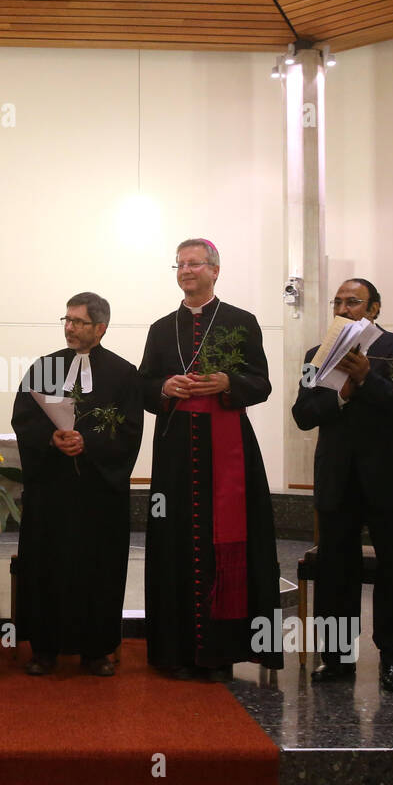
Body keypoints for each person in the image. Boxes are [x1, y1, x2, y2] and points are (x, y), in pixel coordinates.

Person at [138, 238, 282, 680]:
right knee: (175, 543)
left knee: (233, 542)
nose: (186, 271)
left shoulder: (242, 321)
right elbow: (143, 387)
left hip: (229, 451)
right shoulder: (162, 328)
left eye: (194, 264)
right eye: (179, 264)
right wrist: (165, 388)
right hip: (177, 452)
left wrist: (226, 382)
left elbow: (261, 384)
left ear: (215, 270)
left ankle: (224, 650)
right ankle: (175, 651)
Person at [291, 278, 393, 692]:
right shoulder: (317, 354)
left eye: (354, 302)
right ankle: (336, 658)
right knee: (335, 572)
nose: (344, 308)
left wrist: (369, 378)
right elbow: (303, 413)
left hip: (391, 478)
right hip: (337, 477)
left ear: (375, 309)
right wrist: (342, 396)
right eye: (339, 302)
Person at [11, 292, 144, 676]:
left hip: (98, 493)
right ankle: (44, 649)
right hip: (51, 489)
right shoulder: (45, 367)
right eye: (66, 320)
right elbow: (24, 417)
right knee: (46, 565)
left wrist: (89, 442)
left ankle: (96, 650)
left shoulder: (123, 373)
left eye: (79, 322)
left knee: (98, 569)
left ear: (101, 327)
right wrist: (50, 438)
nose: (70, 328)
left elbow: (130, 430)